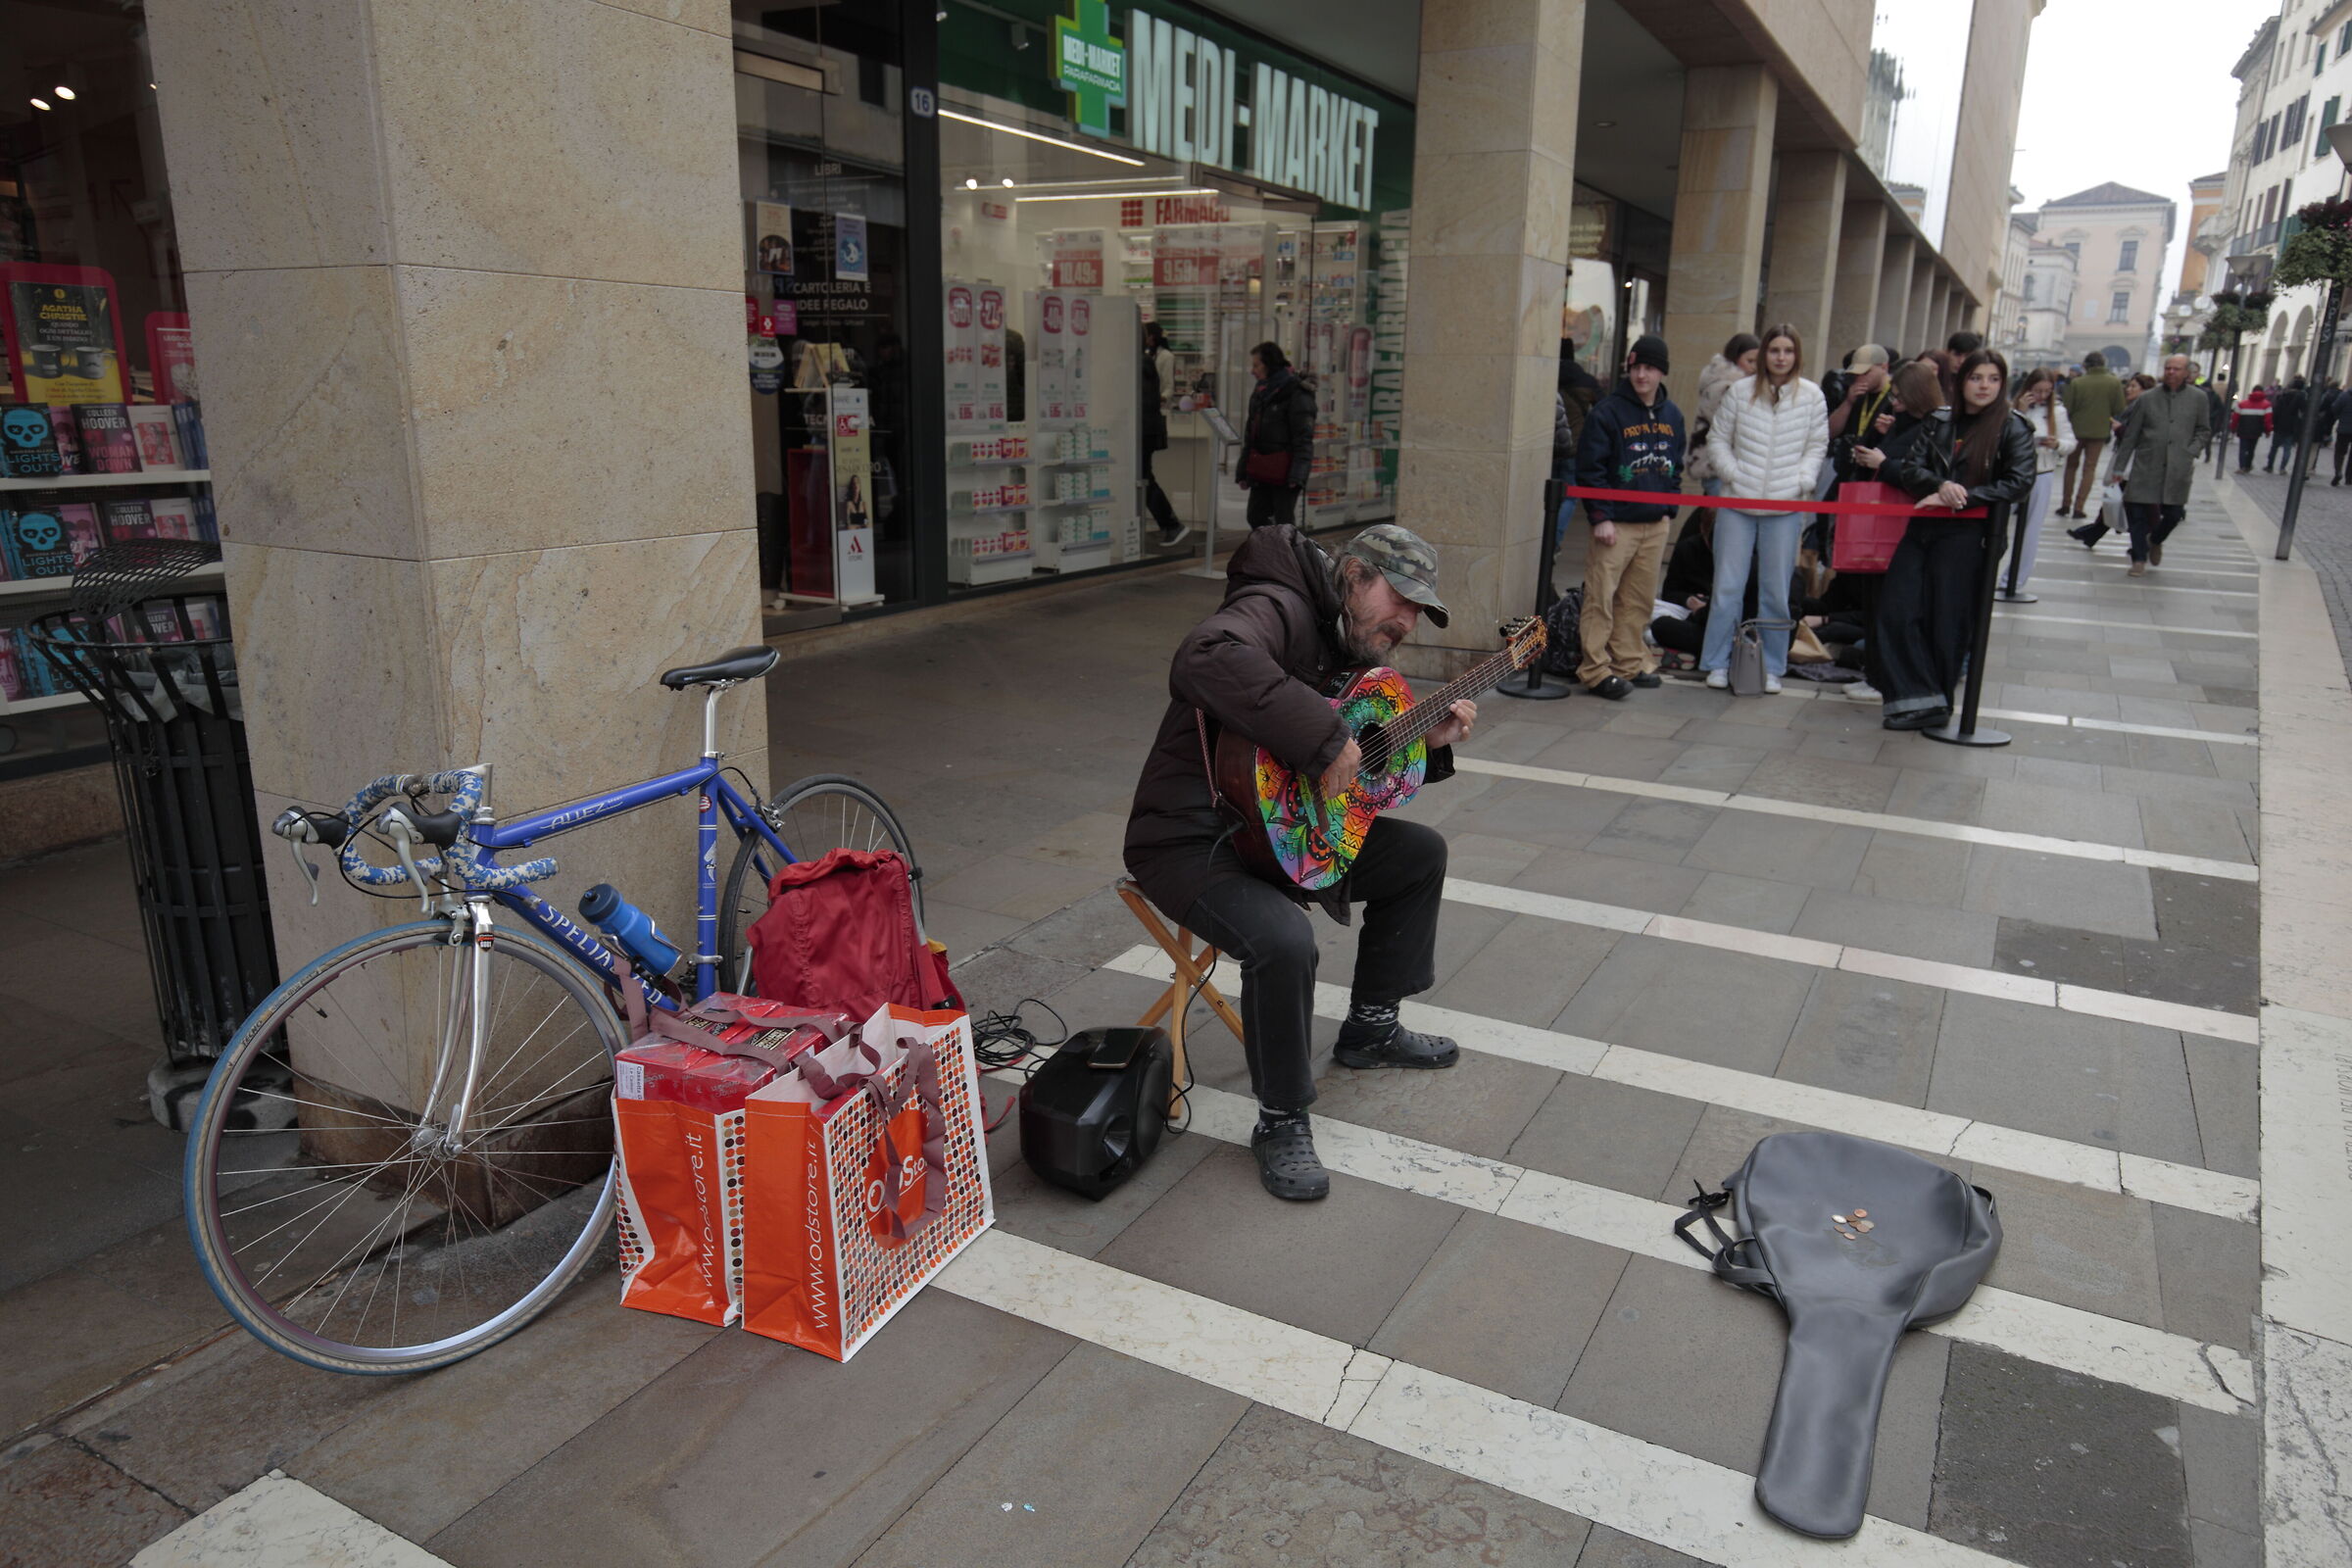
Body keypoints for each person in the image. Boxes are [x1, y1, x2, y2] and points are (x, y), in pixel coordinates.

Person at [1122, 523, 1475, 1200]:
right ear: (1353, 574)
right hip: (1193, 839)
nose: (1406, 620)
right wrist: (1321, 738)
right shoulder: (1277, 606)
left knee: (1419, 854)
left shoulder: (1346, 638)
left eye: (1418, 612)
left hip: (1282, 829)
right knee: (1284, 940)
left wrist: (1424, 744)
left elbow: (1353, 774)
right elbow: (1204, 655)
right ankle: (1281, 1118)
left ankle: (1371, 1029)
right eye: (1398, 598)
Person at [1859, 349, 2035, 731]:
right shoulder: (1940, 420)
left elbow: (2020, 482)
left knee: (1947, 620)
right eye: (1976, 378)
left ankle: (1935, 705)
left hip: (1970, 535)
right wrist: (1941, 485)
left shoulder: (2013, 426)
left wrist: (1963, 496)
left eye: (1992, 378)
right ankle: (1914, 696)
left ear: (2002, 383)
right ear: (1960, 382)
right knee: (1895, 610)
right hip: (1923, 526)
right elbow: (1911, 468)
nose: (1984, 386)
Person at [1699, 321, 1828, 694]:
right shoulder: (1739, 392)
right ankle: (1717, 662)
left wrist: (1802, 480)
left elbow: (1817, 445)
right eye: (1775, 350)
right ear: (1765, 353)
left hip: (1785, 507)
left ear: (1796, 354)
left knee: (1775, 590)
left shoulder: (1812, 396)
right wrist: (1733, 474)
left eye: (1788, 351)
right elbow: (1718, 439)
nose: (1781, 357)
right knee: (1727, 587)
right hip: (1737, 503)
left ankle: (1772, 665)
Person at [1572, 334, 1687, 698]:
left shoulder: (1673, 415)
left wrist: (1669, 507)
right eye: (1636, 367)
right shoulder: (1607, 412)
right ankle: (1594, 670)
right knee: (1601, 598)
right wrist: (1600, 515)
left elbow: (1676, 465)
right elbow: (1591, 468)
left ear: (1661, 372)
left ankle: (1628, 662)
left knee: (1638, 600)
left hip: (1655, 523)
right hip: (1616, 522)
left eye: (1650, 368)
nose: (1642, 375)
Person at [2109, 353, 2212, 576]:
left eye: (2176, 369)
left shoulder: (2198, 398)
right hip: (2146, 465)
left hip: (2177, 467)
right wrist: (2119, 467)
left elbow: (2204, 430)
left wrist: (2191, 451)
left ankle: (2155, 540)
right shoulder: (2147, 399)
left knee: (2174, 514)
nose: (2171, 373)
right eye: (2168, 368)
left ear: (2187, 373)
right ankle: (2138, 558)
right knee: (2137, 514)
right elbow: (2131, 436)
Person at [1236, 341, 1316, 529]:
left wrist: (1297, 477)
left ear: (1269, 364)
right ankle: (1267, 556)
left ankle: (1286, 557)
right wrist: (1243, 470)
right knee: (1256, 517)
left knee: (1283, 524)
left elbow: (1303, 439)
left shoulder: (1297, 392)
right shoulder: (1260, 392)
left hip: (1285, 472)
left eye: (1256, 365)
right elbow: (1251, 434)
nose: (1252, 370)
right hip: (1262, 468)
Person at [2009, 368, 2075, 586]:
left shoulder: (2058, 411)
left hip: (2042, 470)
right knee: (1999, 523)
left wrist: (2056, 444)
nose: (2042, 396)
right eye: (2038, 390)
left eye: (2047, 391)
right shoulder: (2016, 407)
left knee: (2031, 528)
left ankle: (2015, 578)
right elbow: (2004, 434)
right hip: (2014, 471)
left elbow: (2070, 443)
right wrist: (2020, 411)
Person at [1685, 333, 1759, 495]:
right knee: (1723, 512)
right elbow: (1732, 426)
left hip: (1727, 465)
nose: (1754, 367)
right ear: (1734, 359)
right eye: (1750, 361)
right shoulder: (1723, 387)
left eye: (1757, 362)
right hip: (1715, 465)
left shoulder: (1744, 387)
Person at [2059, 351, 2127, 517]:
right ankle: (2079, 507)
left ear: (2086, 365)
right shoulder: (2114, 382)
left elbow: (2068, 407)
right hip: (2098, 431)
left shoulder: (2077, 383)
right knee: (2090, 468)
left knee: (2071, 466)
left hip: (2076, 430)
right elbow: (2119, 408)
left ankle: (2065, 504)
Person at [1140, 321, 1189, 546]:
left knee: (1144, 478)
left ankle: (1170, 523)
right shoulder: (1146, 360)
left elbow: (1165, 390)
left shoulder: (1146, 362)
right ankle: (1168, 524)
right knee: (1143, 477)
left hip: (1144, 429)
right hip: (1147, 428)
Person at [2231, 383, 2274, 472]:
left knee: (2243, 448)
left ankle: (2242, 466)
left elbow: (2235, 418)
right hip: (2256, 431)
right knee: (2251, 448)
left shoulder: (2242, 404)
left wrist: (2233, 428)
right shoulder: (2267, 405)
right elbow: (2268, 420)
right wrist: (2267, 431)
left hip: (2243, 429)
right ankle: (2248, 465)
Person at [2269, 375, 2307, 473]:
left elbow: (2276, 410)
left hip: (2279, 424)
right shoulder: (2301, 397)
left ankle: (2270, 465)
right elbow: (2303, 411)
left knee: (2274, 447)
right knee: (2287, 448)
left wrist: (2273, 422)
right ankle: (2282, 468)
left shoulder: (2283, 395)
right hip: (2292, 425)